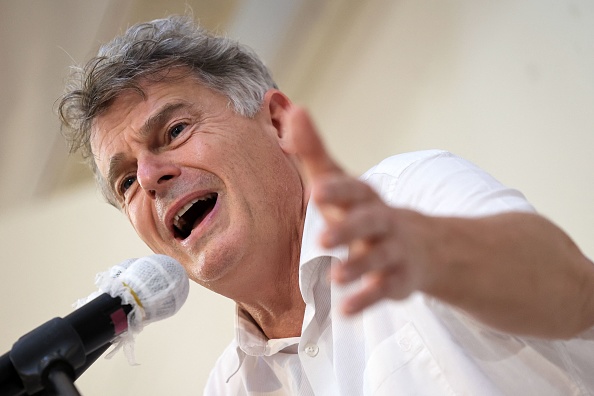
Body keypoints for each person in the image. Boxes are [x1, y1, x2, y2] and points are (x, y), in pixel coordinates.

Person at [58, 15, 594, 395]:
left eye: (174, 131)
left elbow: (578, 290)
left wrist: (433, 253)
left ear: (277, 123)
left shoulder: (409, 193)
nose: (151, 178)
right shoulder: (225, 389)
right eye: (126, 181)